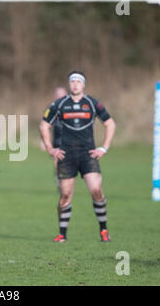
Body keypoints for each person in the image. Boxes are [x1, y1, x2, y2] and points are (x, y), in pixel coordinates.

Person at [40, 71, 116, 242]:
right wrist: (50, 148)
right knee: (65, 195)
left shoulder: (92, 103)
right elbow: (44, 125)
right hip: (66, 155)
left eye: (78, 81)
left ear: (83, 85)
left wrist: (104, 148)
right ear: (69, 84)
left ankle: (104, 231)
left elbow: (110, 124)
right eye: (72, 81)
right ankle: (62, 234)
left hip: (88, 154)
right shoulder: (59, 104)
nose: (75, 84)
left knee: (96, 190)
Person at [40, 87, 67, 191]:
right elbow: (45, 126)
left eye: (61, 94)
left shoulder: (71, 107)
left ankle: (65, 182)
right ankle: (59, 180)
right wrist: (43, 141)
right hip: (57, 141)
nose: (59, 96)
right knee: (58, 165)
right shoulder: (52, 108)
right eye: (57, 94)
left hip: (71, 142)